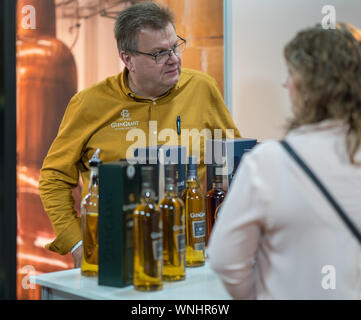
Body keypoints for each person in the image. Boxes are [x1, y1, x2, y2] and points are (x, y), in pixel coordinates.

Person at [38, 2, 240, 267]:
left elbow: (237, 163)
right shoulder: (89, 104)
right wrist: (77, 244)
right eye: (159, 53)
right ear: (127, 59)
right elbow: (53, 177)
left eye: (174, 46)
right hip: (117, 260)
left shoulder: (203, 89)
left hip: (194, 258)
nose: (174, 59)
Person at [208, 22, 361, 299]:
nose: (285, 83)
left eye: (290, 73)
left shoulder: (269, 163)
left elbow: (225, 260)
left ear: (307, 86)